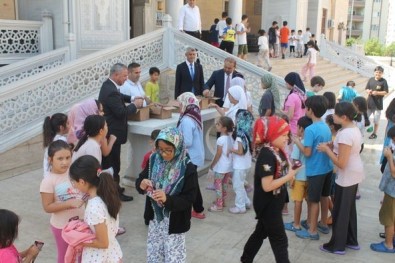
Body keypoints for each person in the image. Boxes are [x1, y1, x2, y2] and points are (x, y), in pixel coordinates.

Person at [241, 116, 300, 263]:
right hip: (268, 205)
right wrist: (290, 175)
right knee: (280, 239)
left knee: (260, 232)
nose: (287, 139)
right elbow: (267, 186)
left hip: (274, 202)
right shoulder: (267, 155)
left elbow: (280, 173)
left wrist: (291, 171)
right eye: (284, 135)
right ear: (273, 134)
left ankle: (246, 259)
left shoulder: (277, 150)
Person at [136, 127, 198, 263]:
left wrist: (167, 199)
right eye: (160, 149)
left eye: (168, 150)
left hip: (174, 223)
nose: (163, 154)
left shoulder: (187, 168)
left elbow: (189, 199)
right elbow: (141, 179)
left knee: (174, 257)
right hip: (155, 219)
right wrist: (141, 184)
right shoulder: (154, 159)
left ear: (178, 146)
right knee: (155, 254)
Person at [317, 102, 364, 254]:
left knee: (340, 211)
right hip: (354, 172)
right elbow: (344, 151)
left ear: (343, 117)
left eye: (336, 114)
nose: (333, 116)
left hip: (347, 175)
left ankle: (337, 246)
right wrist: (332, 146)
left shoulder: (345, 134)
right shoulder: (352, 128)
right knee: (349, 209)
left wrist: (326, 150)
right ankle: (351, 240)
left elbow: (341, 163)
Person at [98, 63, 143, 202]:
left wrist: (131, 99)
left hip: (111, 132)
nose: (126, 78)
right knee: (113, 165)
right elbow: (121, 112)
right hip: (113, 133)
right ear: (116, 75)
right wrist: (134, 106)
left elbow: (119, 96)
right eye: (124, 76)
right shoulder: (111, 90)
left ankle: (114, 188)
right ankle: (114, 192)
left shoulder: (109, 85)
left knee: (113, 163)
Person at [293, 95, 332, 240]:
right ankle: (323, 223)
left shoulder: (310, 130)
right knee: (324, 196)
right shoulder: (326, 126)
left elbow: (307, 153)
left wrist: (297, 142)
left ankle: (312, 231)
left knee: (313, 200)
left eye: (306, 107)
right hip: (327, 168)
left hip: (315, 170)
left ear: (310, 110)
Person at [40, 140, 86, 263]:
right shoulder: (48, 181)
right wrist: (69, 203)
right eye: (60, 159)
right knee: (66, 257)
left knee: (83, 255)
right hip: (62, 226)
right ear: (50, 159)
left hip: (82, 223)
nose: (65, 162)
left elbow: (84, 191)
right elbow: (47, 207)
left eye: (68, 157)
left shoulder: (74, 173)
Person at [69, 155, 122, 262]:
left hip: (99, 257)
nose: (73, 185)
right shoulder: (107, 195)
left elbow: (103, 243)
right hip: (113, 253)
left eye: (73, 182)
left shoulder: (94, 207)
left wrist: (77, 240)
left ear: (82, 182)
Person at [177, 92, 206, 219]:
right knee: (192, 183)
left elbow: (187, 141)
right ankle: (197, 209)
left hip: (190, 156)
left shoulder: (187, 120)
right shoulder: (194, 115)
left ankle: (196, 209)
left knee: (191, 184)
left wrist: (175, 141)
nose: (179, 106)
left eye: (180, 104)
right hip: (194, 155)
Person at [284, 116, 313, 232]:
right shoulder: (311, 144)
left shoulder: (298, 143)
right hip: (310, 177)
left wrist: (292, 177)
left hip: (300, 177)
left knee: (298, 201)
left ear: (301, 129)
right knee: (309, 201)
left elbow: (296, 161)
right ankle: (309, 222)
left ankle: (296, 224)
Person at [370, 126, 395, 253]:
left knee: (388, 218)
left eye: (393, 140)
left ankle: (388, 244)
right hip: (391, 191)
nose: (392, 142)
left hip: (393, 192)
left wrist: (390, 157)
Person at [229, 109, 254, 214]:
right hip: (246, 164)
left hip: (240, 165)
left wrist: (231, 149)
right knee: (240, 184)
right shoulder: (248, 133)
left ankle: (240, 207)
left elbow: (240, 151)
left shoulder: (239, 135)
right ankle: (247, 202)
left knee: (237, 186)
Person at [209, 116, 234, 212]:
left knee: (217, 185)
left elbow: (218, 154)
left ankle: (219, 205)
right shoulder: (231, 138)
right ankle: (223, 201)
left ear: (224, 128)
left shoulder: (220, 139)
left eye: (218, 124)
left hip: (220, 167)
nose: (216, 125)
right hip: (228, 167)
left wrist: (212, 165)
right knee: (224, 185)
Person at [366, 66, 389, 139]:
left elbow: (386, 92)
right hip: (369, 103)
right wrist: (368, 91)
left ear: (382, 73)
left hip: (378, 105)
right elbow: (366, 88)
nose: (378, 74)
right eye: (376, 72)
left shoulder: (383, 81)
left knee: (376, 120)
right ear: (374, 72)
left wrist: (377, 93)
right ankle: (361, 131)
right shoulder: (371, 79)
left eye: (379, 72)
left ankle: (374, 133)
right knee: (365, 118)